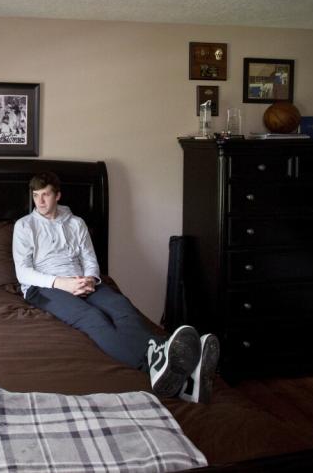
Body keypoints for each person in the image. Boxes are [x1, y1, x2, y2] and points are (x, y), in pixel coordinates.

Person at [12, 171, 220, 403]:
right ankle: (154, 363)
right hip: (44, 288)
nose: (40, 201)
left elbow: (89, 258)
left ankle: (175, 364)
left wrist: (89, 278)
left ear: (58, 195)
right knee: (93, 317)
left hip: (82, 281)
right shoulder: (25, 226)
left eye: (46, 195)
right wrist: (63, 283)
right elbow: (23, 271)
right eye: (36, 195)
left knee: (121, 306)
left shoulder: (76, 223)